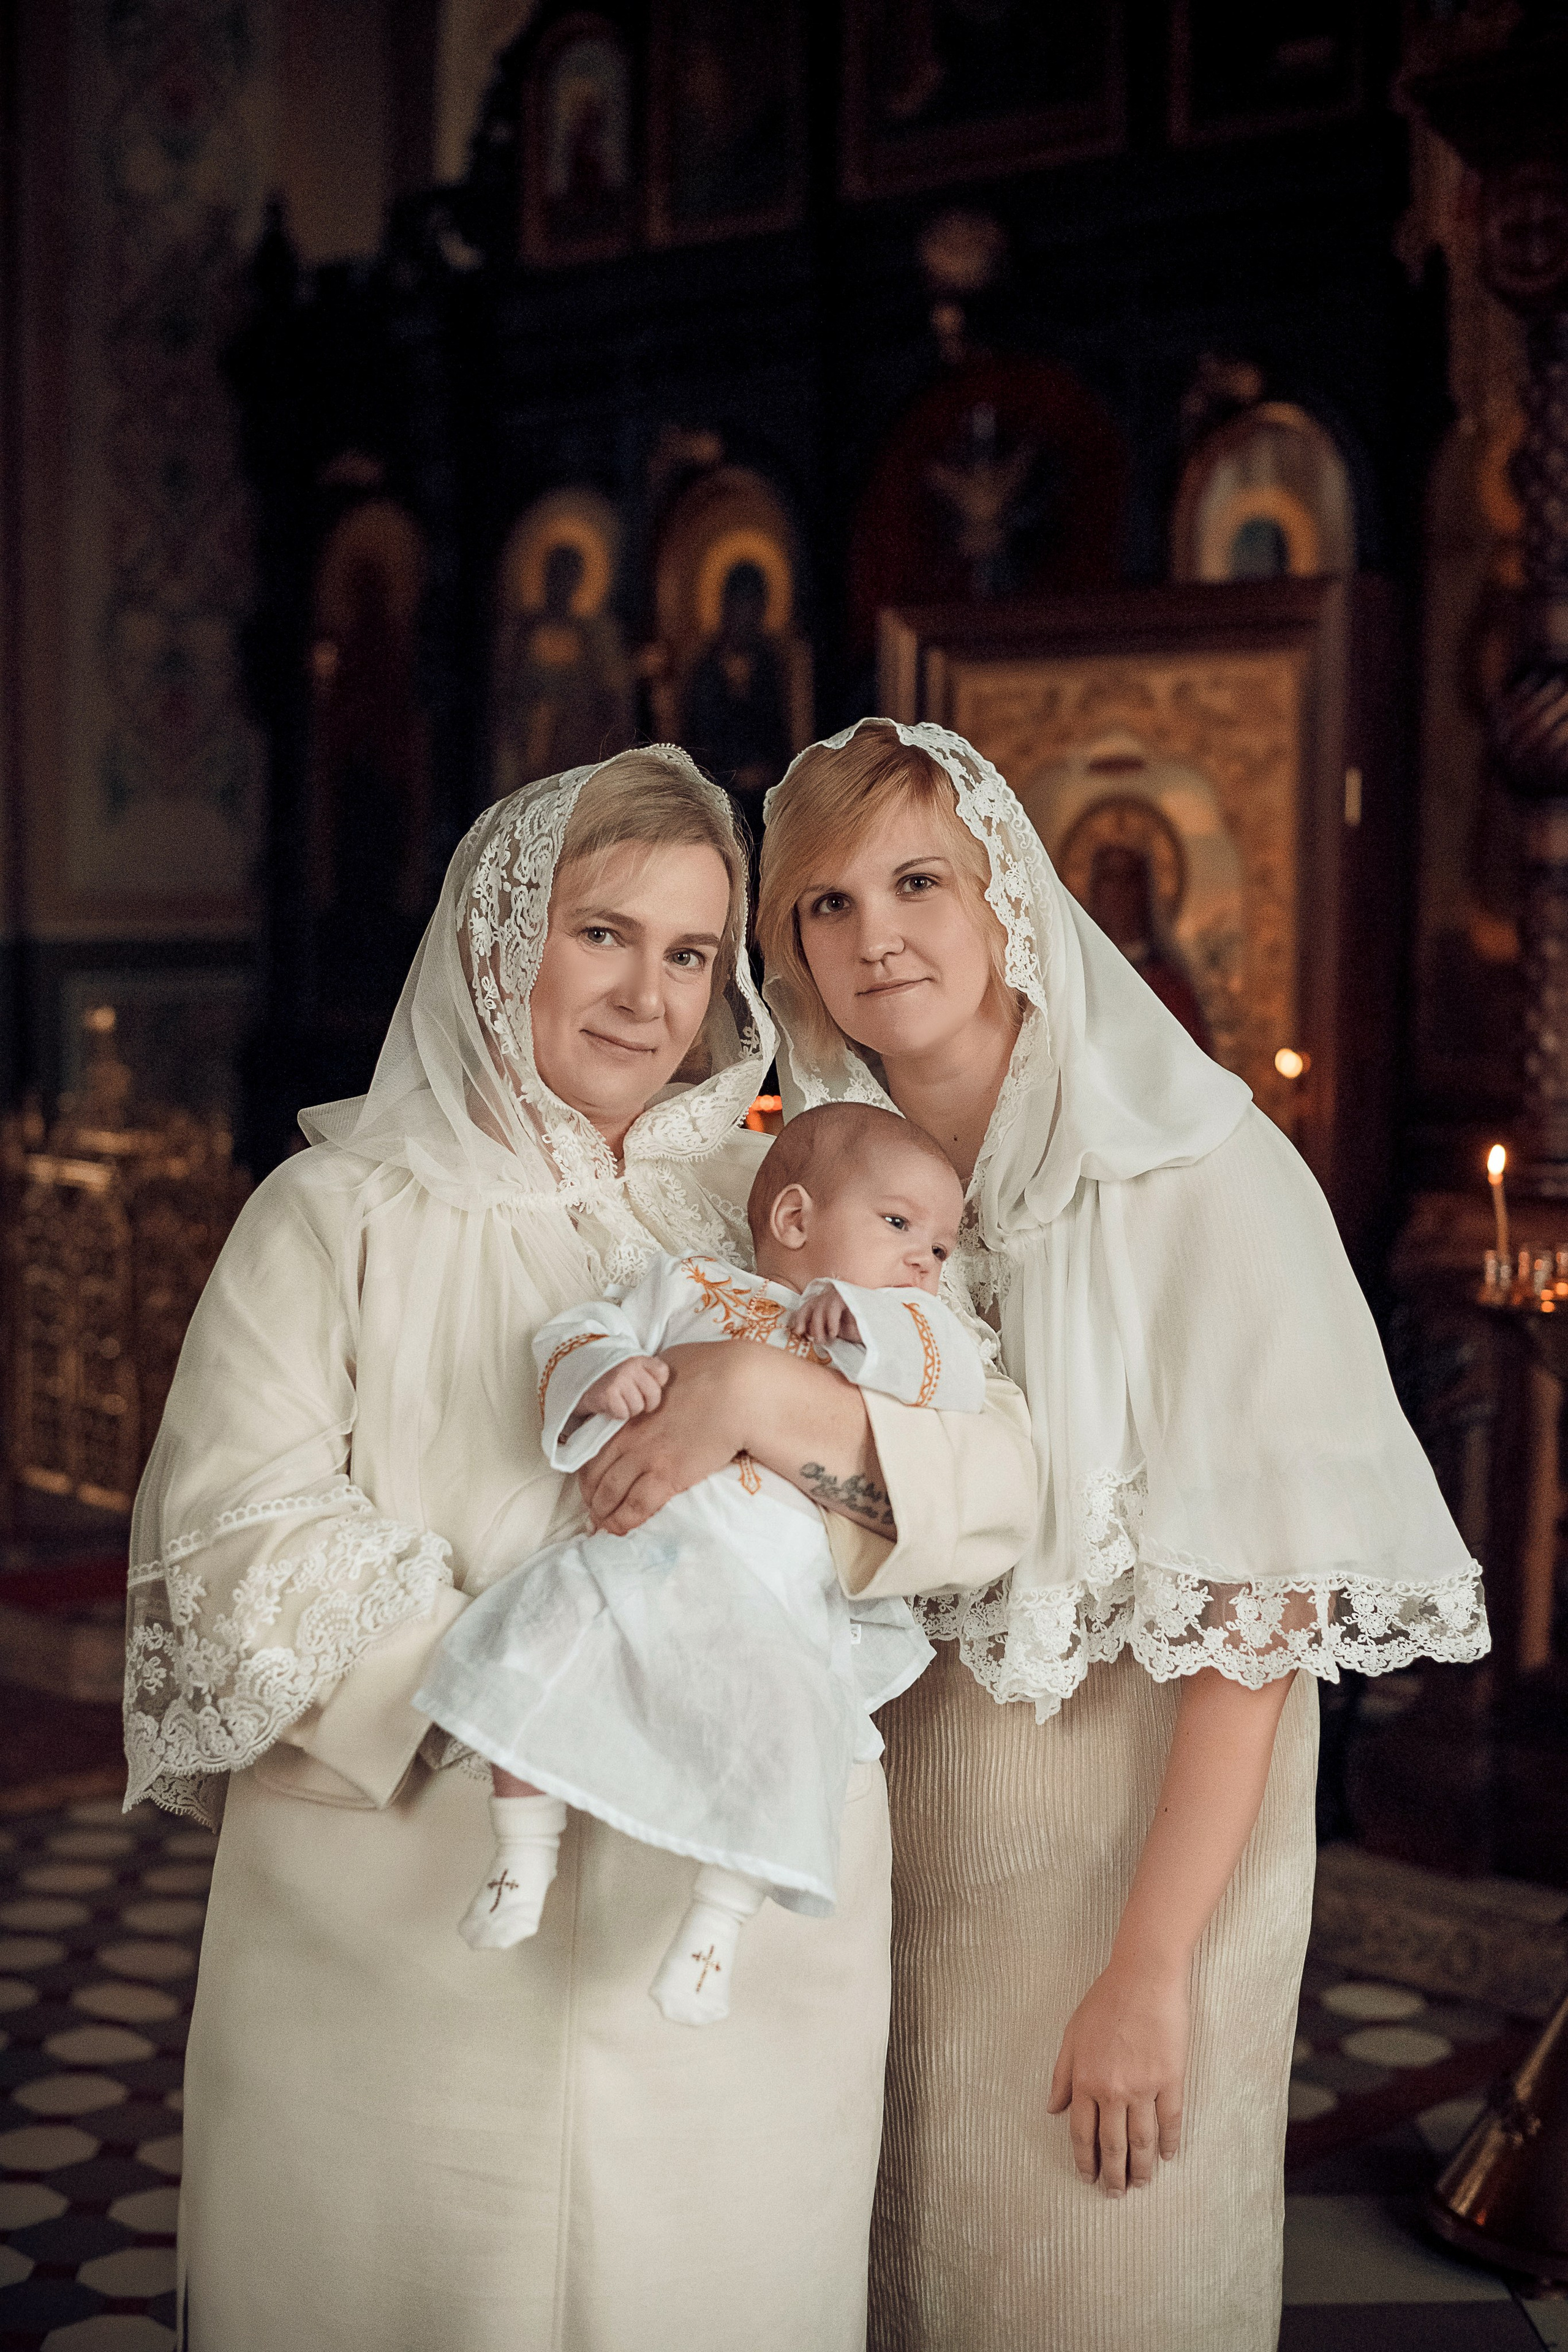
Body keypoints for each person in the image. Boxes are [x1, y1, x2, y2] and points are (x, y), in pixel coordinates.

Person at [123, 743, 1035, 2352]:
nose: (646, 997)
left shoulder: (782, 1198)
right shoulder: (336, 1218)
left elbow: (994, 1483)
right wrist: (545, 1707)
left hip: (740, 1943)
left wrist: (774, 1405)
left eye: (691, 953)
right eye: (602, 933)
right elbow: (232, 1555)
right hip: (415, 1924)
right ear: (499, 935)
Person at [755, 717, 1489, 2352]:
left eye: (918, 880)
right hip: (902, 1842)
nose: (876, 934)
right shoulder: (806, 1183)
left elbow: (1262, 1623)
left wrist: (1153, 1970)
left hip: (1133, 1858)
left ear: (1009, 890)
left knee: (1098, 2286)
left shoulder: (1203, 1178)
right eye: (824, 901)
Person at [418, 1102, 987, 2027]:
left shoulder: (890, 1341)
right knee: (537, 1633)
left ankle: (714, 1933)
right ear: (796, 1220)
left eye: (941, 1246)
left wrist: (875, 1325)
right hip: (650, 1556)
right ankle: (521, 1851)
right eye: (898, 1225)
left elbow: (952, 1377)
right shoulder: (687, 1285)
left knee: (784, 1741)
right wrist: (604, 1372)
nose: (926, 1260)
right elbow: (576, 1329)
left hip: (778, 1593)